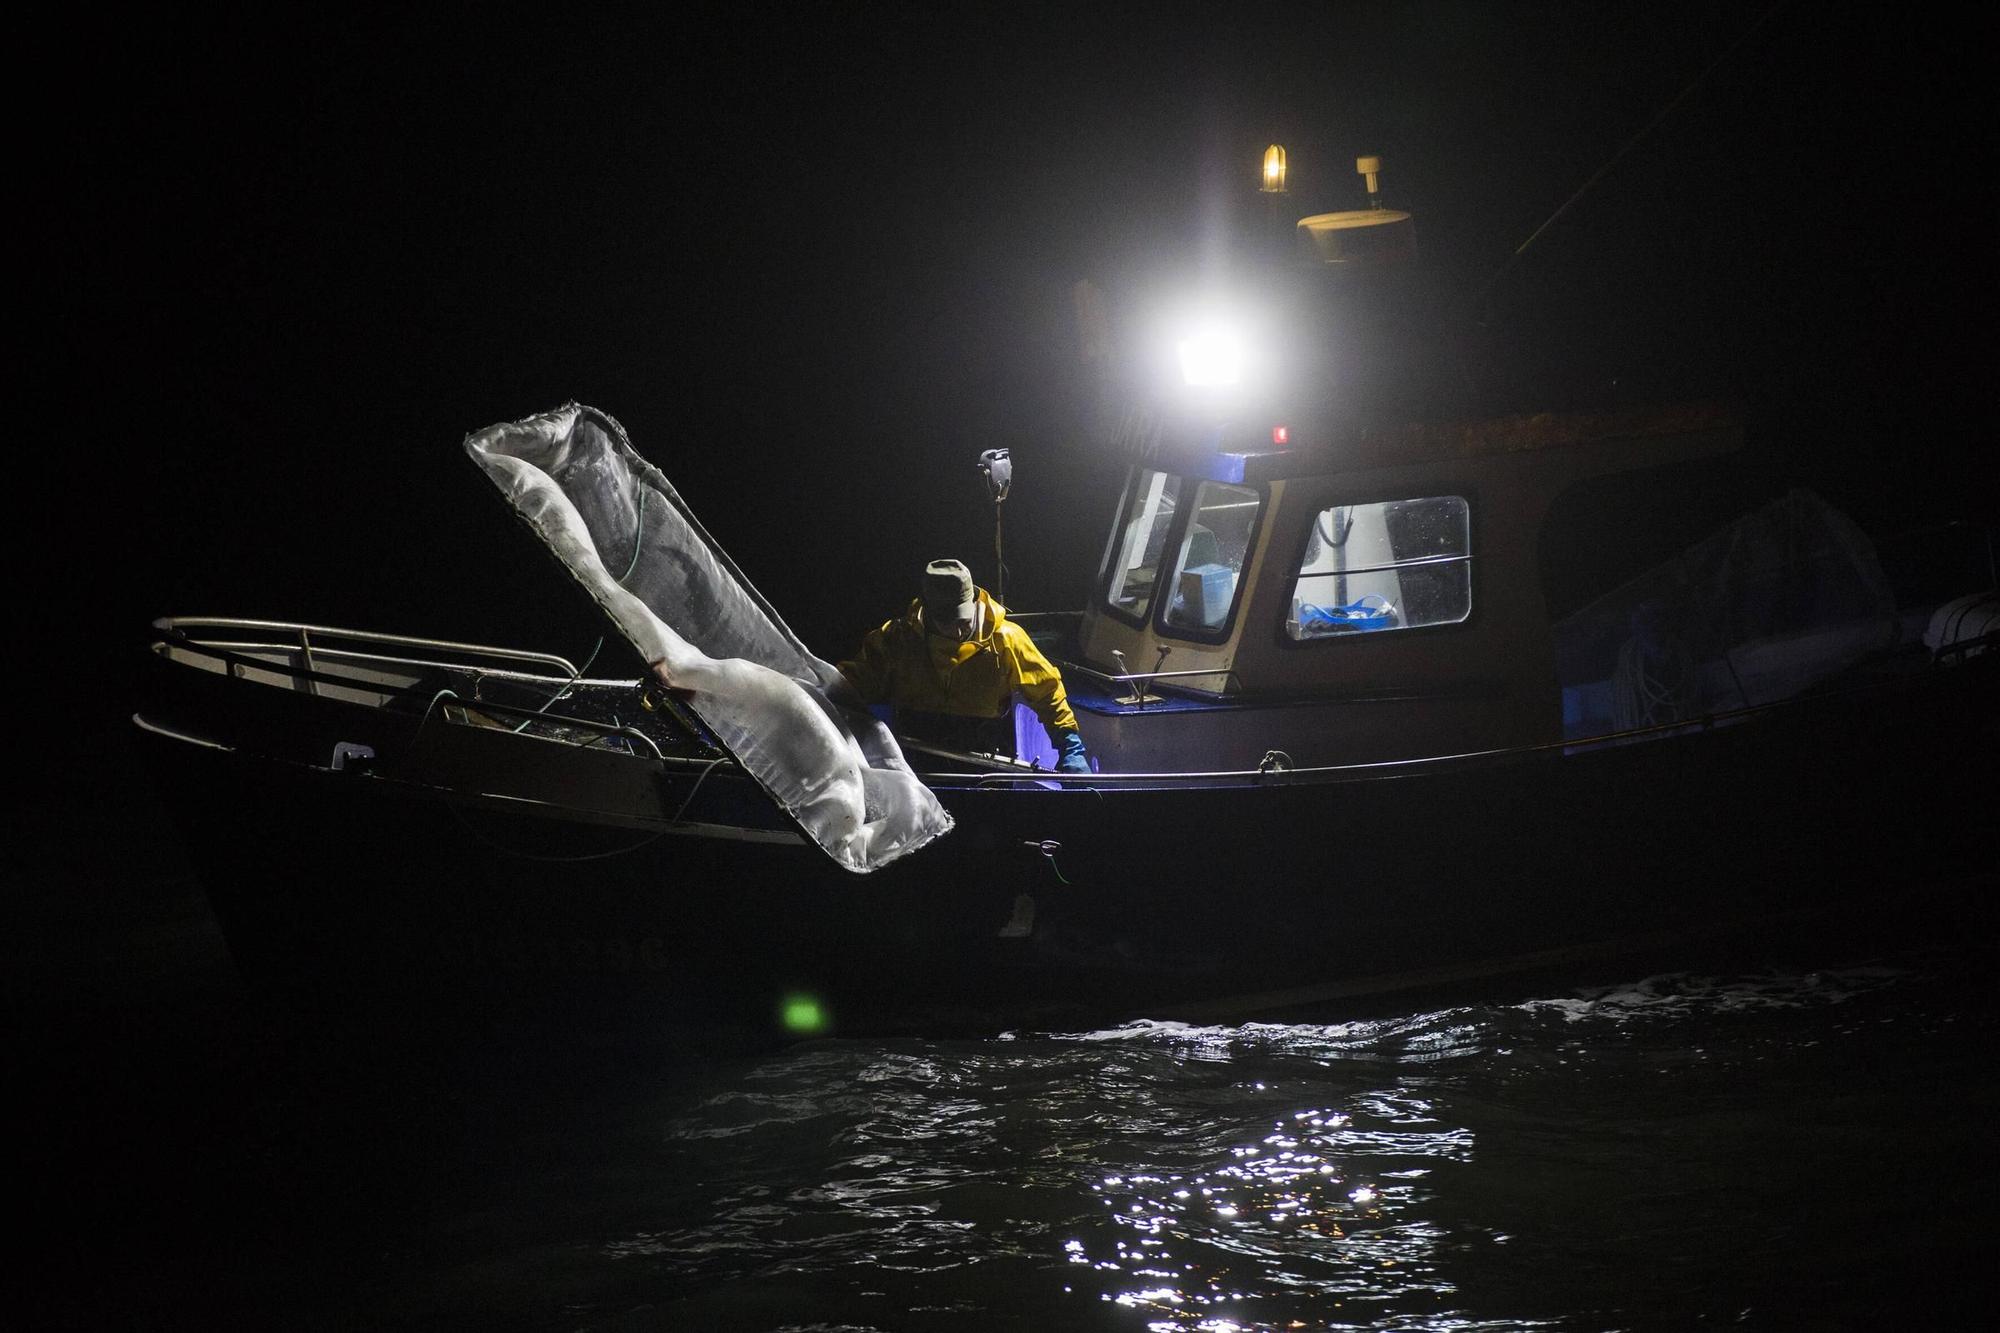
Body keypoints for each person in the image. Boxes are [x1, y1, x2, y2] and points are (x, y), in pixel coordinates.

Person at [837, 558, 1092, 773]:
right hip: (914, 756)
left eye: (964, 620)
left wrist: (1070, 745)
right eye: (947, 622)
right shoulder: (896, 639)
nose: (958, 629)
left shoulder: (1006, 639)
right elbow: (853, 683)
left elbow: (1047, 692)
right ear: (928, 610)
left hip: (985, 758)